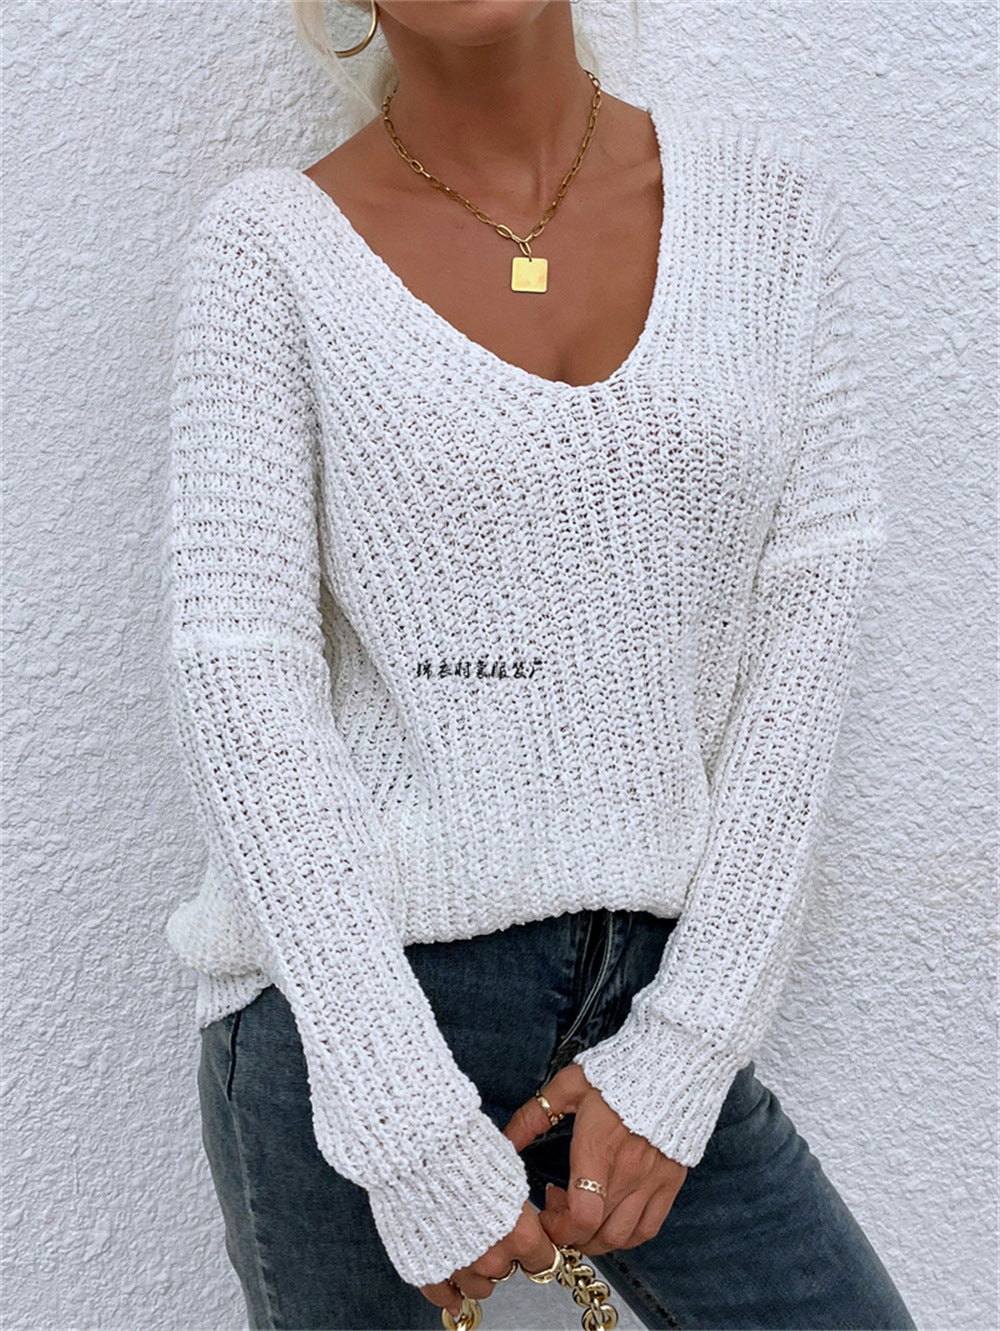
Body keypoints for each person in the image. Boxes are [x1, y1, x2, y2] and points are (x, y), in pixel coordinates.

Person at [164, 2, 917, 1328]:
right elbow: (240, 677)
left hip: (660, 993)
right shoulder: (269, 246)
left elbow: (809, 639)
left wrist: (690, 1048)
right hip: (353, 1015)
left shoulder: (770, 215)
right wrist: (397, 1116)